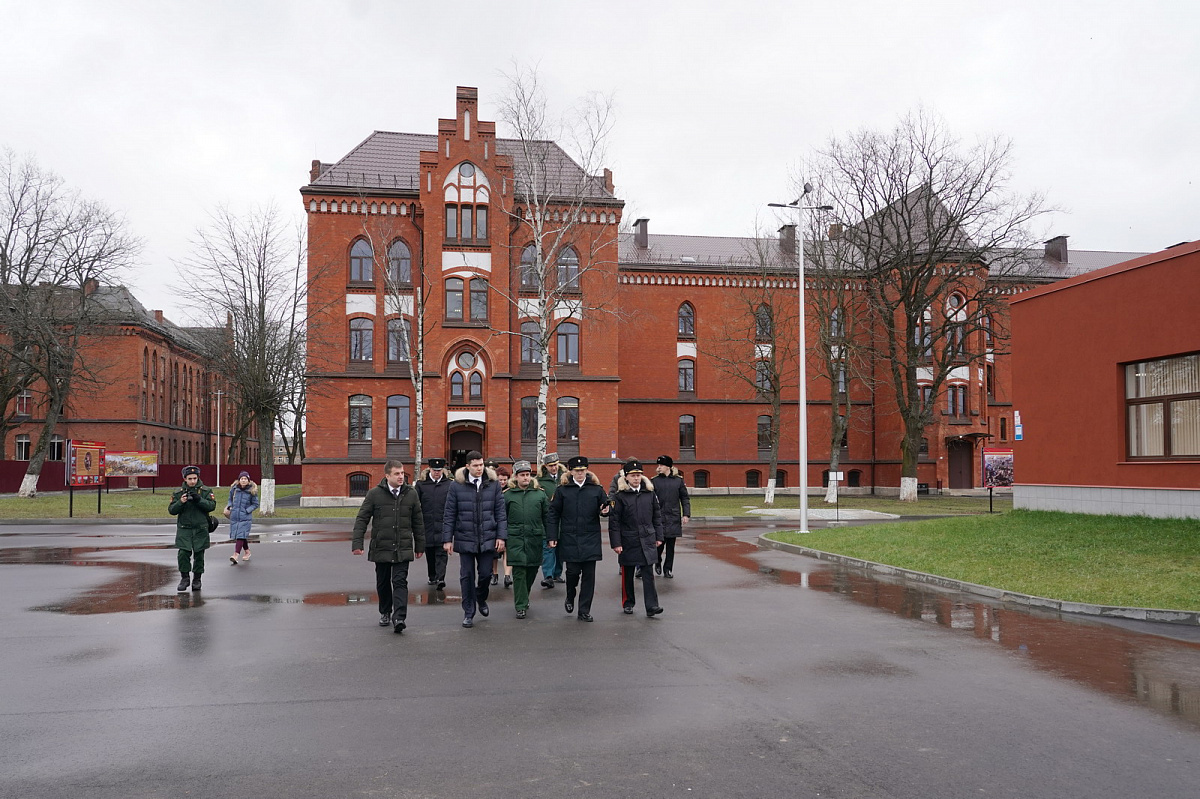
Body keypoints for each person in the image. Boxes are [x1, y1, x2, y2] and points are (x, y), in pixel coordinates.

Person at [352, 460, 425, 634]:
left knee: (400, 581)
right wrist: (357, 543)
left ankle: (399, 617)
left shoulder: (411, 494)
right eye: (397, 474)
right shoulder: (374, 494)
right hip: (382, 546)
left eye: (402, 473)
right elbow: (362, 519)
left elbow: (418, 521)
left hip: (403, 546)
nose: (401, 477)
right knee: (383, 582)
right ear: (387, 476)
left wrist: (420, 545)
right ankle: (385, 611)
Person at [443, 451, 507, 628]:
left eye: (481, 465)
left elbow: (500, 513)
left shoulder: (493, 485)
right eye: (476, 465)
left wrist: (501, 536)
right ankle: (468, 612)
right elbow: (449, 514)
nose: (479, 469)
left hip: (488, 537)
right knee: (467, 576)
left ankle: (481, 597)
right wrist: (447, 539)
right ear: (468, 466)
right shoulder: (456, 486)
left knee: (486, 574)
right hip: (465, 537)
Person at [546, 455, 609, 622]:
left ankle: (584, 610)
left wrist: (606, 511)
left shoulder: (596, 489)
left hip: (590, 538)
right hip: (570, 538)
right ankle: (570, 595)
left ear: (587, 470)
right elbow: (553, 514)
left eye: (582, 470)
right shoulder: (562, 490)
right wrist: (552, 536)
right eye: (576, 470)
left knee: (589, 577)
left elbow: (606, 506)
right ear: (571, 471)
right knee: (572, 573)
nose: (580, 473)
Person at [609, 459, 665, 617]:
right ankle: (628, 602)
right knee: (628, 573)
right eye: (633, 475)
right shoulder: (620, 497)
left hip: (647, 538)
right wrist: (616, 543)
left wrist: (659, 536)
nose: (636, 478)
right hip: (628, 539)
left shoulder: (649, 493)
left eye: (639, 475)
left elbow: (657, 517)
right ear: (626, 477)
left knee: (648, 574)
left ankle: (652, 606)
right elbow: (615, 522)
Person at [503, 460, 548, 619]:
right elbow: (502, 518)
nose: (525, 478)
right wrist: (502, 538)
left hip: (534, 537)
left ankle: (524, 595)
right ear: (515, 477)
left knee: (532, 569)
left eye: (528, 475)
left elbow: (547, 517)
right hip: (515, 538)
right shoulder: (507, 495)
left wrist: (550, 536)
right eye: (522, 475)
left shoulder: (539, 494)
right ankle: (520, 605)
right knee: (519, 571)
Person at [168, 465, 217, 592]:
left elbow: (211, 506)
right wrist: (181, 502)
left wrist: (199, 499)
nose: (193, 481)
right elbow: (172, 510)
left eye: (195, 478)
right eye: (190, 478)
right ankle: (185, 578)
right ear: (185, 479)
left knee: (199, 555)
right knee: (183, 554)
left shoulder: (205, 491)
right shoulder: (178, 492)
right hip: (185, 528)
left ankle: (197, 579)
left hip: (200, 527)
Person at [651, 455, 691, 578]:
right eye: (658, 465)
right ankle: (657, 561)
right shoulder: (655, 481)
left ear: (668, 466)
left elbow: (684, 498)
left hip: (673, 516)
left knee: (670, 546)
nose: (659, 468)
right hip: (659, 517)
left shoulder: (678, 481)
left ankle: (668, 569)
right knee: (659, 544)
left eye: (661, 465)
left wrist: (686, 514)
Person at [416, 457, 453, 589]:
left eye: (439, 470)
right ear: (429, 469)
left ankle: (440, 578)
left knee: (442, 552)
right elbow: (416, 504)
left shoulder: (449, 484)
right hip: (427, 524)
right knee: (430, 552)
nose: (437, 472)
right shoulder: (421, 485)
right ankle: (432, 576)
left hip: (443, 523)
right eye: (434, 470)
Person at [537, 453, 565, 588]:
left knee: (560, 548)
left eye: (555, 465)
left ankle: (557, 573)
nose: (554, 468)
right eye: (550, 466)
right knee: (548, 547)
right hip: (547, 519)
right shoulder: (540, 480)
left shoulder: (565, 478)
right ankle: (547, 575)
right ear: (545, 466)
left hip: (563, 518)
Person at [487, 458, 514, 587]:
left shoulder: (512, 491)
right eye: (500, 480)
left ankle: (507, 575)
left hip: (508, 523)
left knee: (508, 550)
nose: (503, 482)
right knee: (494, 552)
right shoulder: (491, 490)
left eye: (505, 479)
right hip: (493, 524)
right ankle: (494, 574)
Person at [225, 471, 260, 565]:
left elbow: (256, 504)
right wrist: (229, 506)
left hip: (245, 517)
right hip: (235, 516)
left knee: (240, 535)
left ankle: (235, 555)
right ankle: (247, 551)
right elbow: (230, 499)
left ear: (248, 481)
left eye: (245, 479)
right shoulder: (234, 489)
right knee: (240, 535)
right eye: (242, 479)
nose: (243, 480)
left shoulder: (252, 491)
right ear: (239, 480)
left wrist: (247, 510)